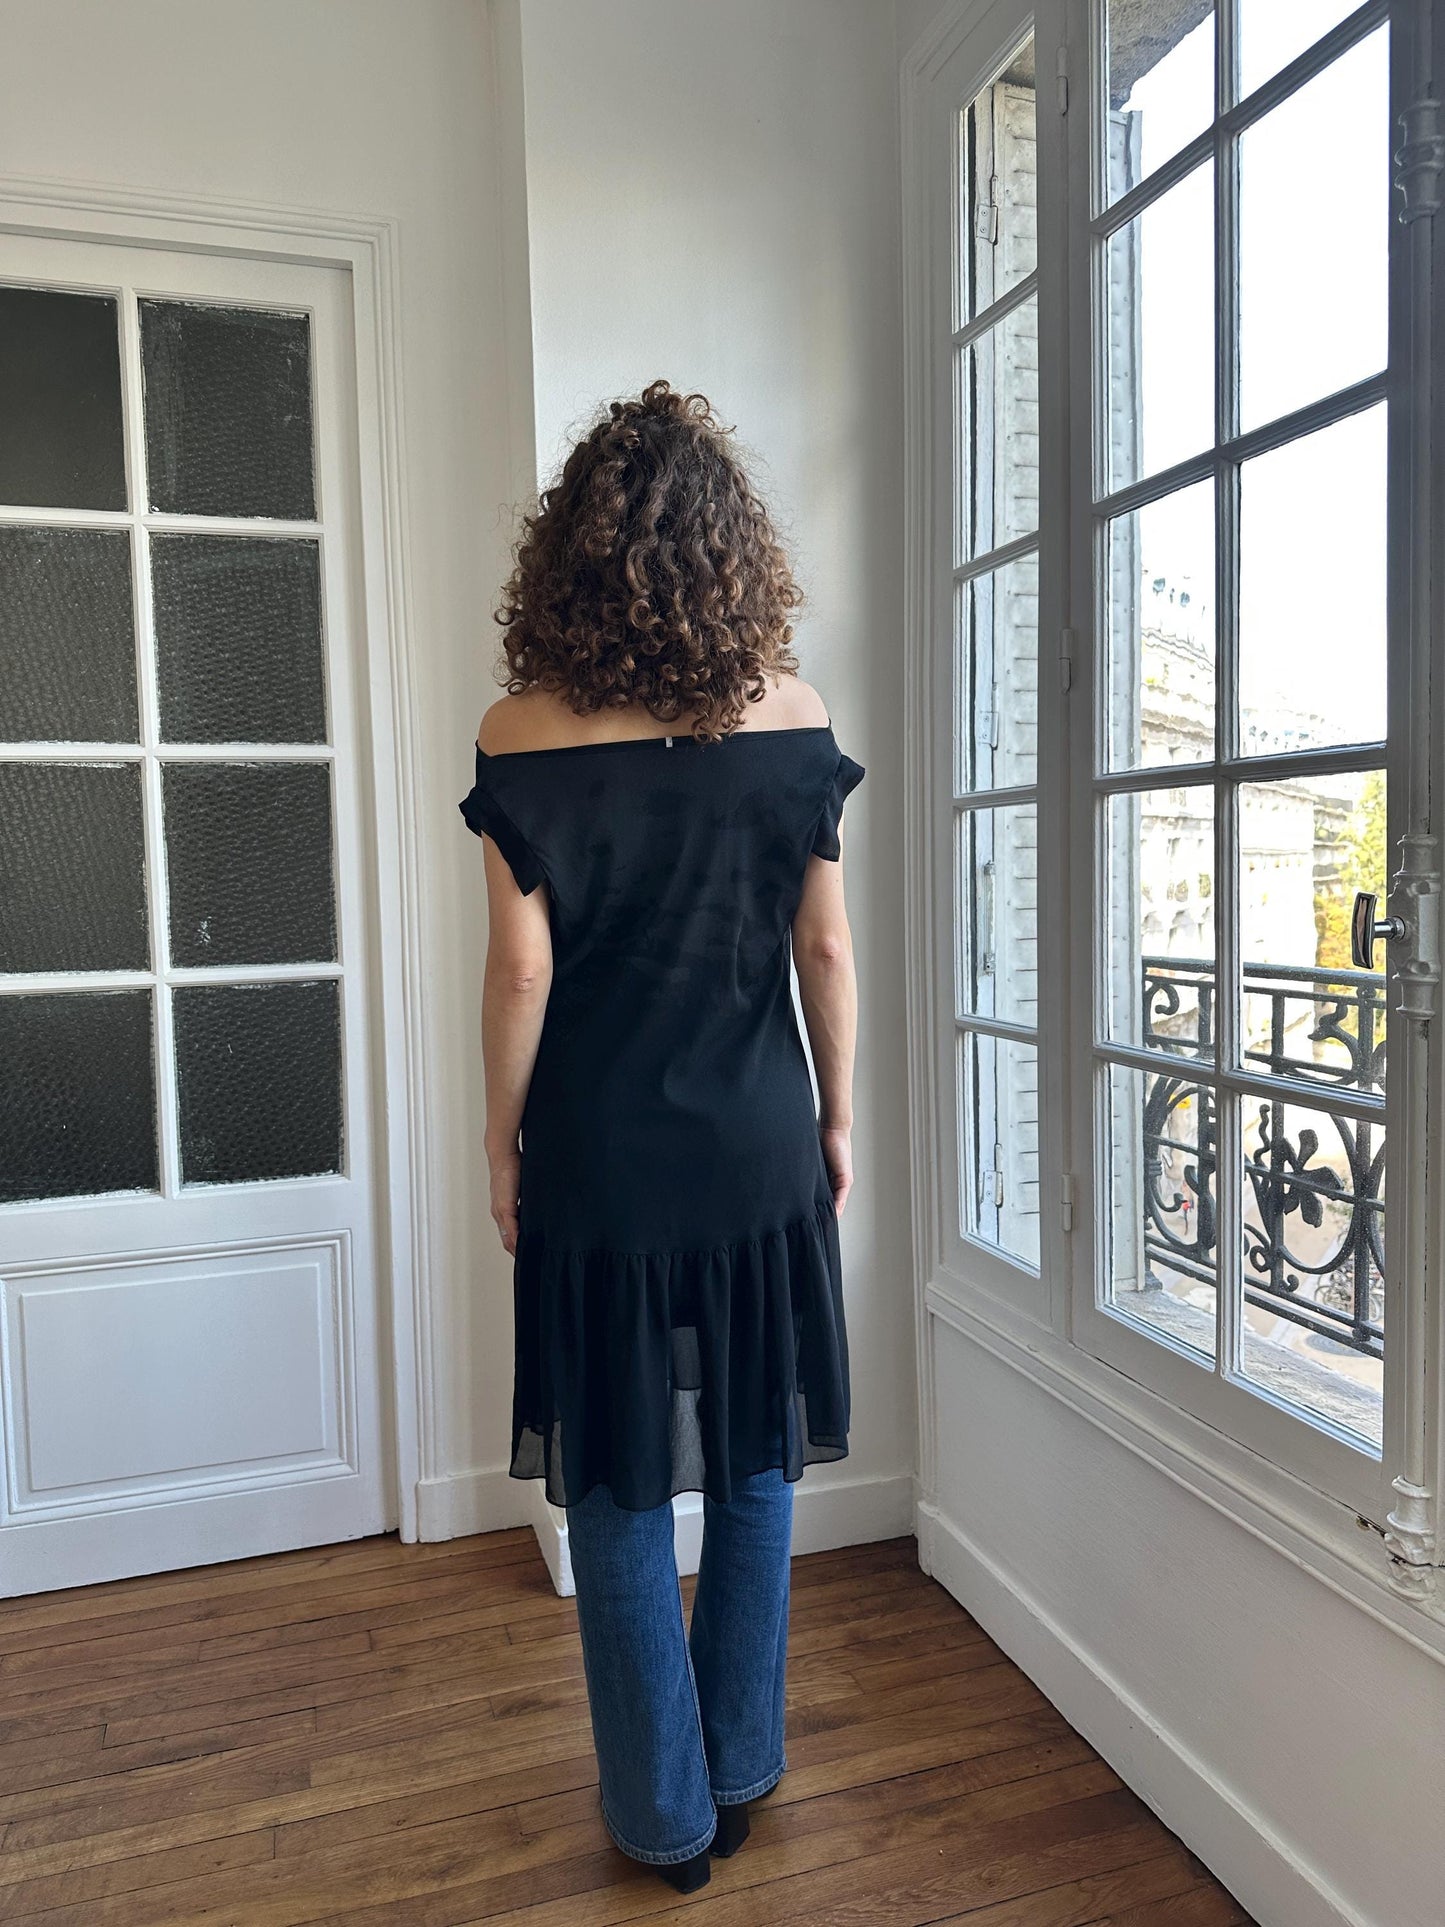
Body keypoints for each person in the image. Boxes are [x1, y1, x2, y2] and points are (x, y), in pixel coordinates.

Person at [458, 379, 864, 1894]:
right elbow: (823, 949)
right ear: (731, 552)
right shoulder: (796, 721)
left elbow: (521, 975)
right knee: (755, 1451)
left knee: (621, 1480)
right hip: (759, 1148)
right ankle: (740, 1766)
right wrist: (835, 1116)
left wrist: (499, 1142)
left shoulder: (519, 736)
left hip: (604, 1163)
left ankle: (663, 1821)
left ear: (568, 559)